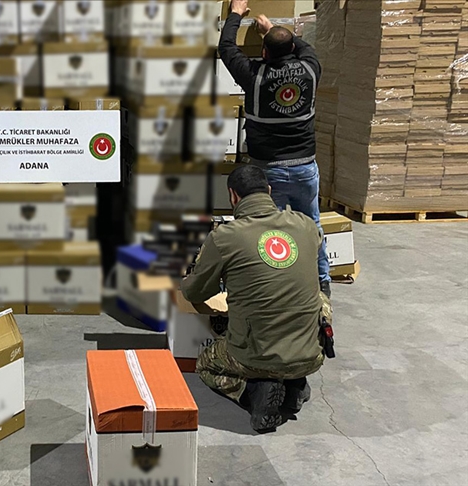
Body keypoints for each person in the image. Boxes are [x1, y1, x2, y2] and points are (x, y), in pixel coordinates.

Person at [181, 165, 328, 433]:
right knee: (318, 295)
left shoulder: (224, 237)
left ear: (233, 196)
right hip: (312, 354)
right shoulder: (305, 225)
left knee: (206, 364)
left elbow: (194, 293)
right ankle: (294, 383)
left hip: (255, 356)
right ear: (269, 191)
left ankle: (254, 392)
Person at [219, 0, 331, 297]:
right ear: (292, 48)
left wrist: (235, 14)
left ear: (264, 52)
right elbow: (304, 48)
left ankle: (277, 285)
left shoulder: (254, 76)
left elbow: (226, 48)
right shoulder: (310, 69)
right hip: (305, 167)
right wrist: (273, 29)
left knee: (271, 232)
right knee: (312, 225)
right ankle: (322, 281)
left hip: (269, 171)